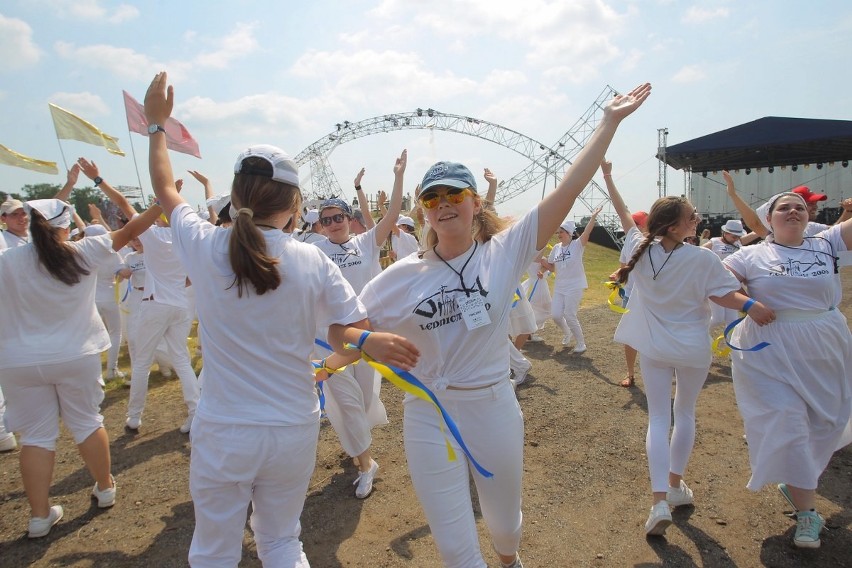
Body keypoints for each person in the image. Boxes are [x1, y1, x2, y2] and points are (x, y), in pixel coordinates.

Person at [359, 83, 652, 567]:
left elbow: (568, 189)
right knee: (455, 544)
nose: (443, 204)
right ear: (423, 212)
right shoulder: (398, 277)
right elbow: (344, 331)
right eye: (432, 199)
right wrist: (366, 341)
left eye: (455, 193)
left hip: (493, 404)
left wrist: (608, 123)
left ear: (476, 202)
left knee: (503, 522)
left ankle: (510, 558)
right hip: (429, 412)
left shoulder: (504, 252)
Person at [143, 71, 419, 566]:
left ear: (235, 197)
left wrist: (156, 125)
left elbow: (165, 188)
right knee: (280, 541)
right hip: (291, 425)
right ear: (296, 206)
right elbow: (341, 329)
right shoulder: (310, 259)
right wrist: (367, 341)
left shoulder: (205, 244)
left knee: (213, 548)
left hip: (225, 425)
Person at [608, 186, 773, 537]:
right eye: (691, 216)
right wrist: (751, 306)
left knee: (656, 418)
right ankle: (675, 485)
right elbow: (724, 295)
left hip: (653, 348)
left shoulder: (638, 249)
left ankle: (658, 502)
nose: (697, 219)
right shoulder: (701, 258)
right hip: (692, 349)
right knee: (683, 413)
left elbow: (623, 213)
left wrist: (608, 177)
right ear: (673, 227)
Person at [0, 197, 161, 538]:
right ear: (64, 225)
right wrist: (161, 202)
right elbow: (132, 228)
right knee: (87, 422)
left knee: (36, 437)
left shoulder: (8, 260)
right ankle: (105, 487)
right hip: (77, 353)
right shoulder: (84, 251)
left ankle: (39, 516)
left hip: (20, 360)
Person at [723, 191, 852, 549]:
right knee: (788, 418)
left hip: (826, 344)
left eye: (799, 206)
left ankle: (797, 481)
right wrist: (747, 303)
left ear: (809, 215)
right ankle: (808, 513)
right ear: (769, 218)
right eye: (784, 207)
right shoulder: (750, 254)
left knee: (824, 422)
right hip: (770, 348)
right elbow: (716, 287)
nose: (793, 211)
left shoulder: (826, 241)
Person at [313, 154, 406, 498]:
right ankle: (367, 463)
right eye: (327, 219)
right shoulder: (313, 251)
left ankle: (357, 442)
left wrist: (399, 176)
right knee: (345, 403)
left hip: (365, 337)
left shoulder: (366, 243)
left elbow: (392, 215)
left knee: (365, 402)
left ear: (349, 220)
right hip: (328, 340)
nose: (334, 223)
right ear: (320, 225)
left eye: (339, 217)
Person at [601, 159, 647, 387]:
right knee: (631, 336)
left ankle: (659, 372)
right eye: (633, 223)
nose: (633, 225)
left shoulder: (656, 242)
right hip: (630, 295)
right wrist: (617, 275)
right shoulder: (632, 237)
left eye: (639, 223)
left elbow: (623, 210)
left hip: (650, 299)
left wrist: (608, 177)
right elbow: (623, 264)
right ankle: (631, 373)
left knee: (648, 337)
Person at [541, 207, 602, 354]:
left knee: (569, 314)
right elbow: (552, 267)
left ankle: (581, 343)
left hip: (575, 285)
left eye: (561, 232)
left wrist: (593, 218)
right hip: (560, 286)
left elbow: (587, 232)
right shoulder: (556, 248)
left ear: (569, 233)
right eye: (558, 232)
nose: (558, 234)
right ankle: (567, 332)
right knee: (555, 315)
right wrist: (542, 264)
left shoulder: (577, 245)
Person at [702, 219, 745, 329]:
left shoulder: (738, 244)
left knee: (733, 320)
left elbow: (756, 232)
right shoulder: (714, 242)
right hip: (716, 285)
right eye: (734, 236)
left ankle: (731, 345)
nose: (736, 239)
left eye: (738, 236)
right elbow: (698, 253)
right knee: (717, 319)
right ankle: (698, 334)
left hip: (732, 285)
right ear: (725, 233)